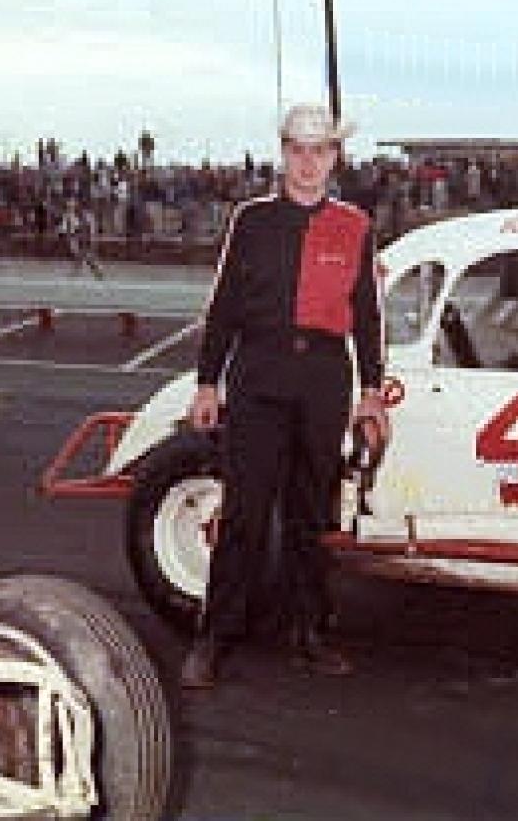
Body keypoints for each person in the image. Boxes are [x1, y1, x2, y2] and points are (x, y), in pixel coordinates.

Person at [180, 103, 387, 689]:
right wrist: (207, 382)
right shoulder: (251, 220)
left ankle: (308, 633)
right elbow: (223, 305)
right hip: (259, 373)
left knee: (311, 513)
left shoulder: (354, 225)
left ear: (334, 157)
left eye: (319, 150)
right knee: (244, 512)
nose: (307, 162)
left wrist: (371, 390)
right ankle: (214, 637)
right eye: (297, 149)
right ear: (283, 153)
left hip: (323, 378)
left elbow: (367, 315)